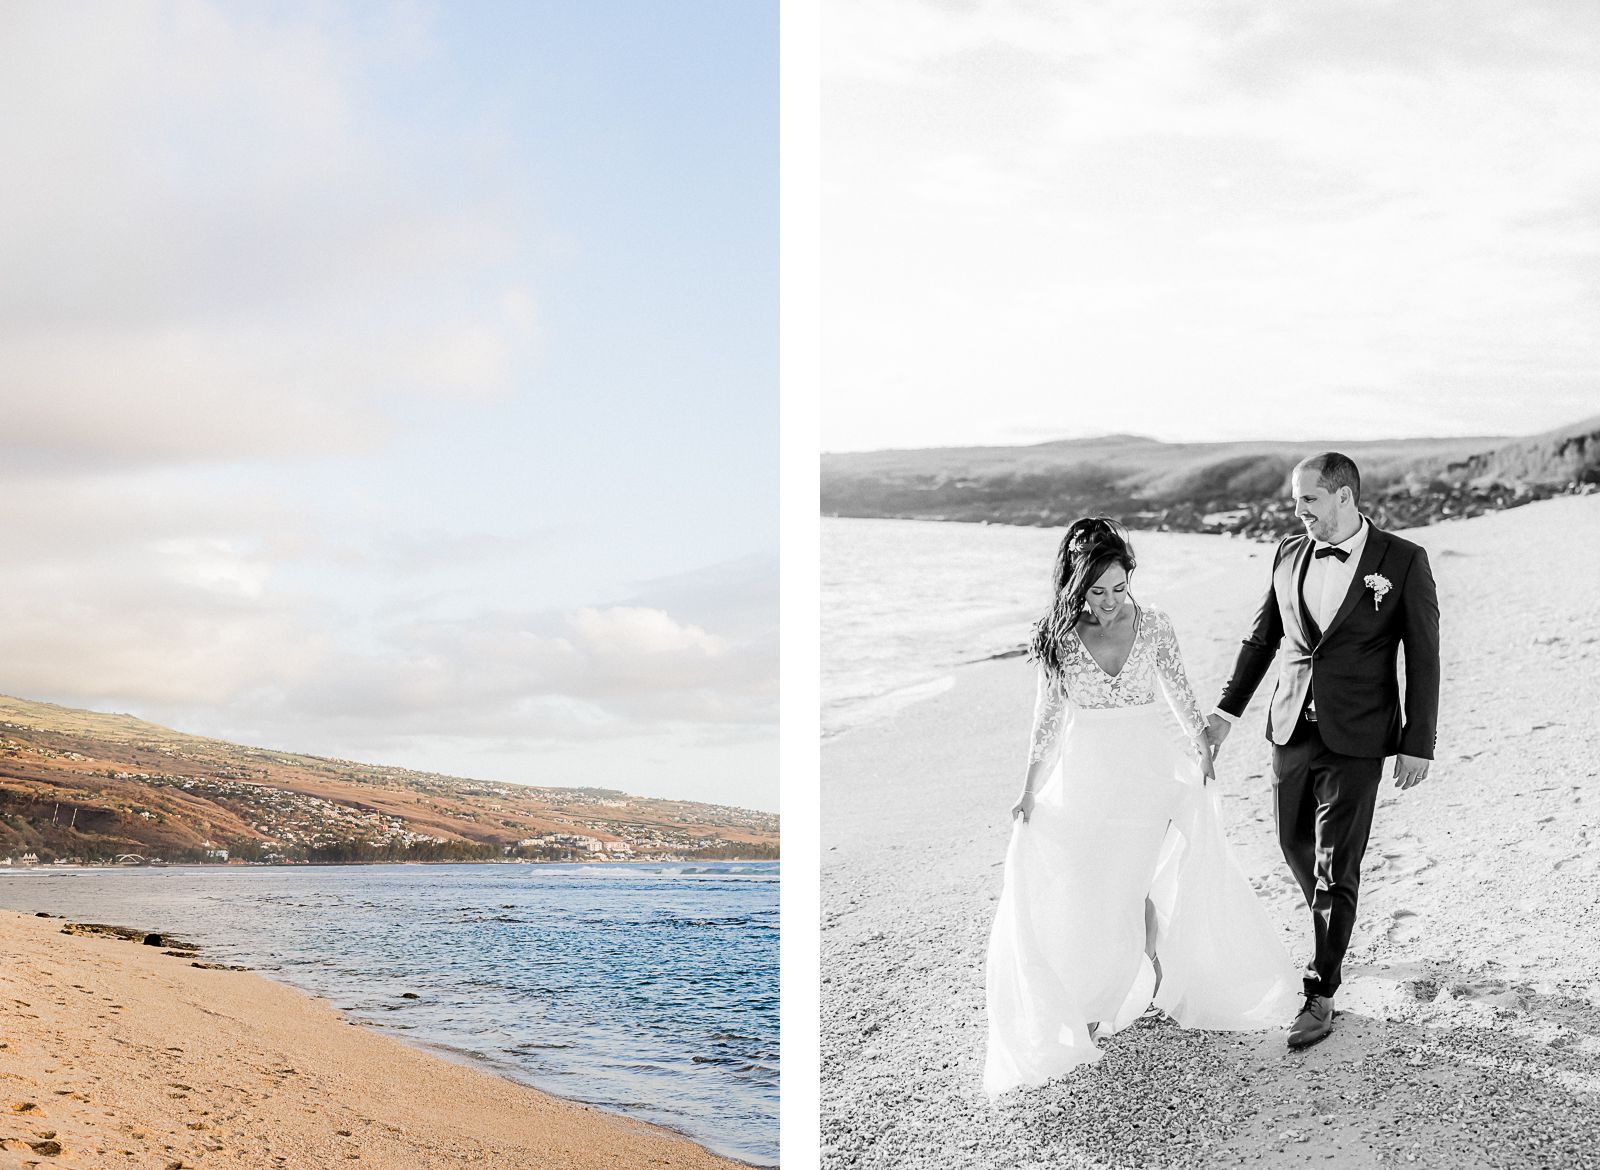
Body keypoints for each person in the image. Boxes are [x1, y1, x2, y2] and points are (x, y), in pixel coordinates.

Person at [984, 518, 1299, 1096]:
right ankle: (1105, 989)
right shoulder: (1057, 635)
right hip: (1083, 777)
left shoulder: (1154, 624)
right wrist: (1029, 787)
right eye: (1095, 591)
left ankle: (1130, 985)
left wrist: (1203, 751)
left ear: (1131, 581)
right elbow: (1046, 720)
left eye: (1117, 588)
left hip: (1148, 774)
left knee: (1131, 884)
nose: (1107, 602)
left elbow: (1181, 693)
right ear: (1075, 586)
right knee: (1091, 888)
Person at [1206, 452, 1440, 1050]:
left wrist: (1418, 742)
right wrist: (1225, 714)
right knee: (1291, 842)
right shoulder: (1288, 553)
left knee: (1338, 866)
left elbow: (1423, 656)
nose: (1298, 511)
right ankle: (1334, 922)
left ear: (1343, 497)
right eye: (1295, 501)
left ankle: (1322, 988)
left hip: (1359, 737)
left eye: (1307, 499)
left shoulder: (1402, 561)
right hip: (1292, 726)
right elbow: (1264, 638)